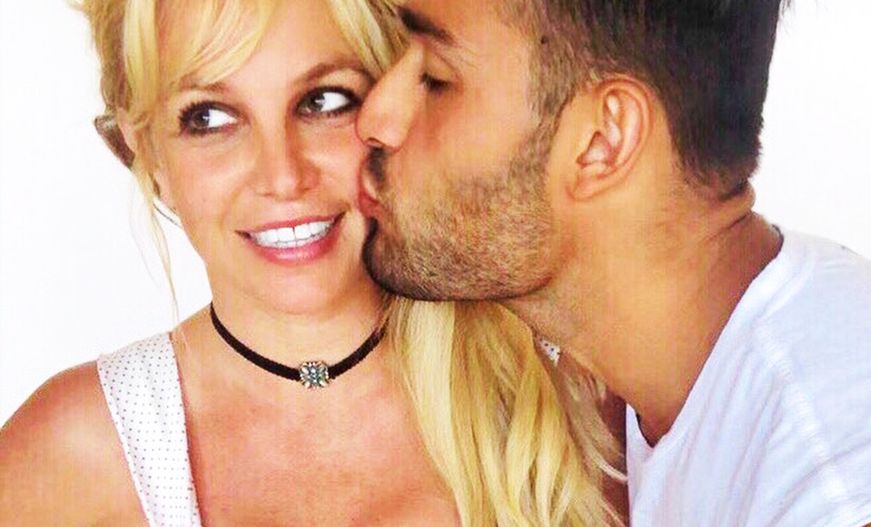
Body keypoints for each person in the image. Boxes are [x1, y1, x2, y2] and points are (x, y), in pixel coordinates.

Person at [0, 0, 623, 525]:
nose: (283, 176)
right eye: (209, 118)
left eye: (324, 101)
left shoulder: (574, 400)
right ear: (149, 156)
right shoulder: (71, 457)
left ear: (394, 107)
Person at [355, 0, 871, 525]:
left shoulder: (841, 479)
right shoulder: (672, 385)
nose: (376, 118)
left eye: (436, 78)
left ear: (604, 140)